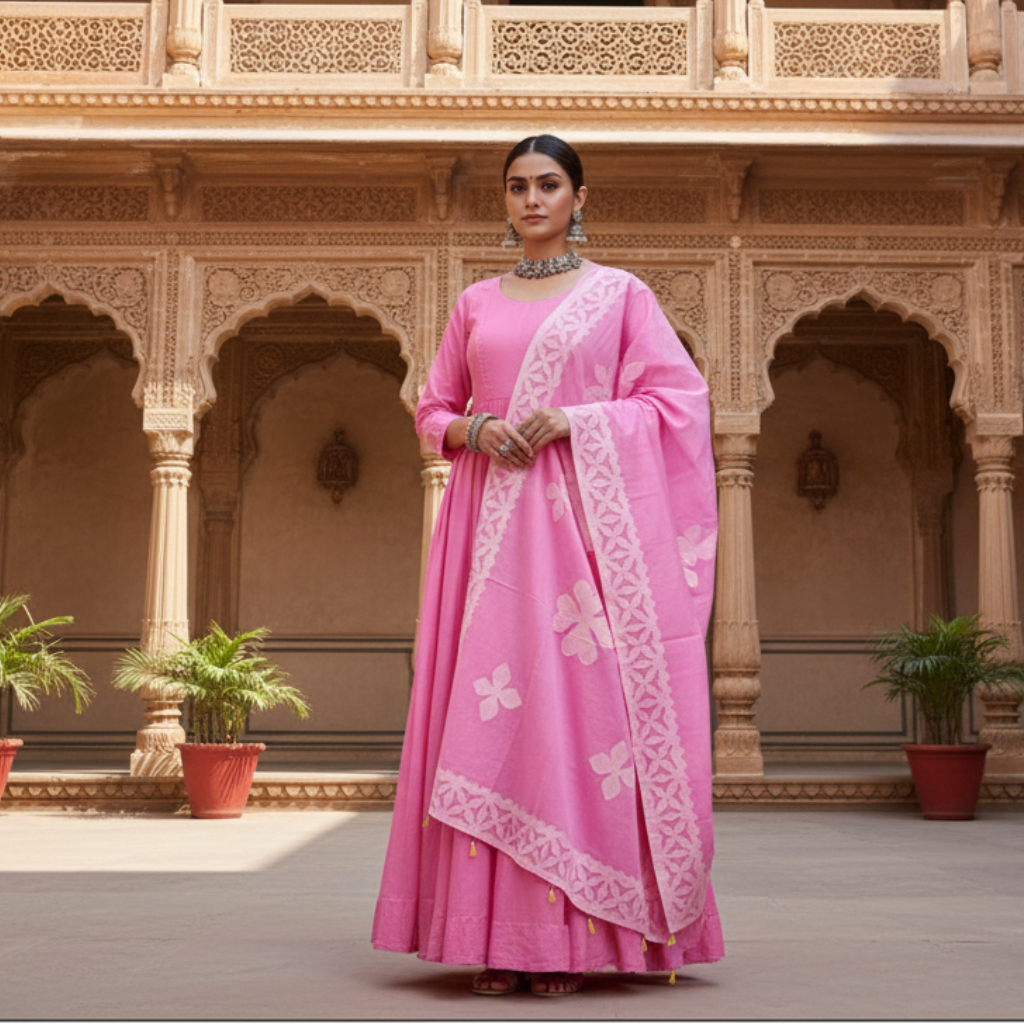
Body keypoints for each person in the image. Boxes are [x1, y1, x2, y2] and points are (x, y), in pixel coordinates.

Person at [371, 135, 723, 997]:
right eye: (519, 187)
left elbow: (677, 403)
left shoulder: (620, 298)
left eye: (549, 185)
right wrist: (473, 430)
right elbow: (433, 407)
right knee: (493, 723)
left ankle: (576, 940)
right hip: (488, 540)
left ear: (579, 196)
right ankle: (495, 938)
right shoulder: (476, 303)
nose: (532, 199)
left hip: (586, 552)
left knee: (579, 728)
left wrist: (577, 422)